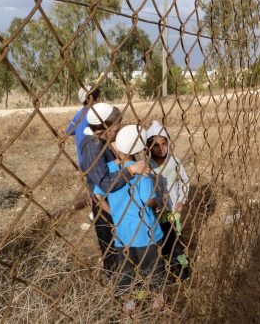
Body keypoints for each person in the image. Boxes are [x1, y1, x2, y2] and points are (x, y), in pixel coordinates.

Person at [92, 125, 165, 312]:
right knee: (152, 268)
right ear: (140, 150)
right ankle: (158, 300)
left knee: (125, 271)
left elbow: (98, 197)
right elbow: (148, 201)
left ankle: (129, 303)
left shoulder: (108, 170)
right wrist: (159, 200)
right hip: (145, 231)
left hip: (122, 233)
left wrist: (114, 213)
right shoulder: (143, 171)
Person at [79, 102, 149, 273]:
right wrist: (130, 170)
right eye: (116, 130)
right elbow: (104, 182)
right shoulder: (92, 146)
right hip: (104, 205)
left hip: (114, 202)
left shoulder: (99, 141)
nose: (118, 133)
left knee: (119, 243)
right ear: (103, 128)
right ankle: (117, 281)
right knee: (110, 244)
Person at [146, 120, 191, 281]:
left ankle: (182, 271)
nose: (161, 148)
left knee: (177, 242)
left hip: (174, 212)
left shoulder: (175, 162)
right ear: (149, 147)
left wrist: (182, 201)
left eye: (164, 143)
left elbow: (184, 181)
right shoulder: (147, 167)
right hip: (158, 214)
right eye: (156, 145)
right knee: (164, 243)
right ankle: (170, 269)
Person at [66, 85, 100, 166]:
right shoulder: (98, 114)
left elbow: (69, 131)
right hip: (98, 160)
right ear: (93, 100)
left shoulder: (78, 114)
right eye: (97, 98)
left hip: (83, 162)